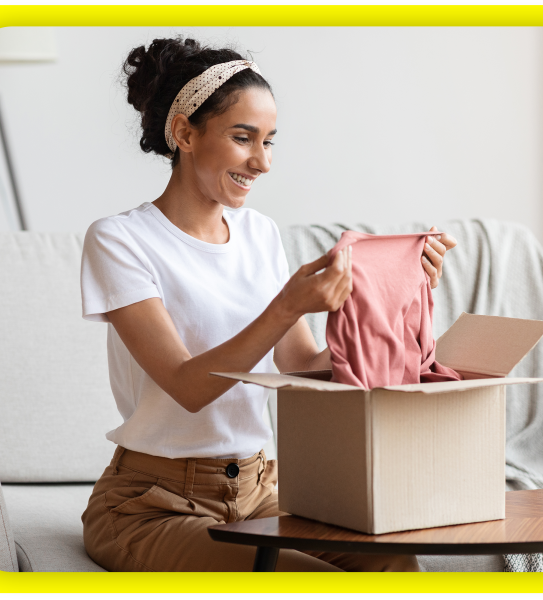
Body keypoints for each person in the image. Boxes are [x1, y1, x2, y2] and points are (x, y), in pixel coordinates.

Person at [80, 37, 457, 572]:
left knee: (395, 562)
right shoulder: (120, 240)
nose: (262, 162)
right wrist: (287, 304)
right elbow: (187, 386)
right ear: (185, 132)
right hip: (154, 505)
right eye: (243, 138)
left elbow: (301, 364)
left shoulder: (259, 234)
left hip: (260, 492)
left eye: (271, 141)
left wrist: (399, 299)